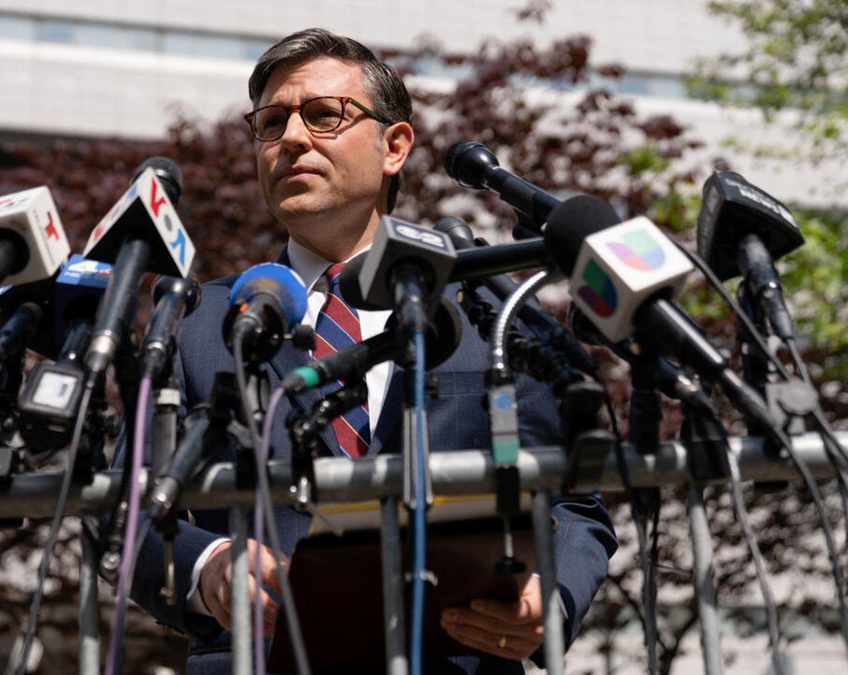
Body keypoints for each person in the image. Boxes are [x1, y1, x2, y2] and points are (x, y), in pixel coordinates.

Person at [125, 27, 617, 674]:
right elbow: (121, 511)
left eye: (323, 115)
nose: (291, 138)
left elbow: (575, 503)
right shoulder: (197, 319)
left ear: (395, 146)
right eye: (271, 123)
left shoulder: (492, 313)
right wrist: (207, 565)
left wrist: (548, 601)